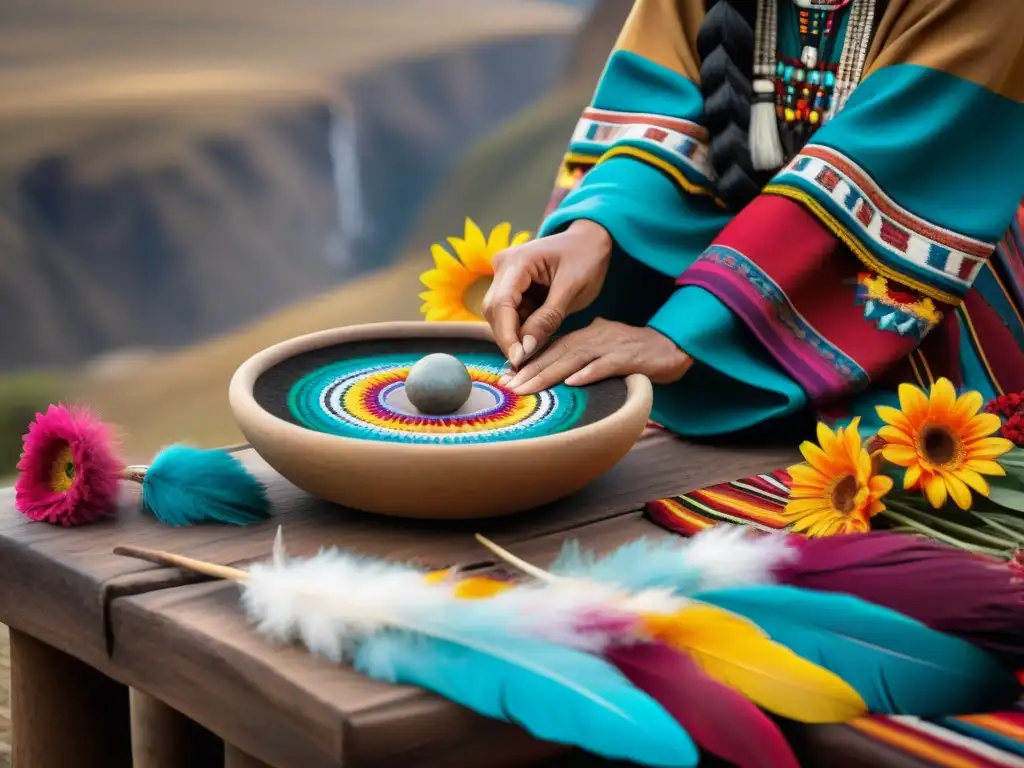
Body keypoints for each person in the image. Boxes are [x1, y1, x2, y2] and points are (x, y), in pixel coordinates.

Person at [484, 0, 1024, 440]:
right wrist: (593, 232)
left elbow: (893, 167)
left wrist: (684, 333)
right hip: (722, 285)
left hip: (933, 302)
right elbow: (667, 120)